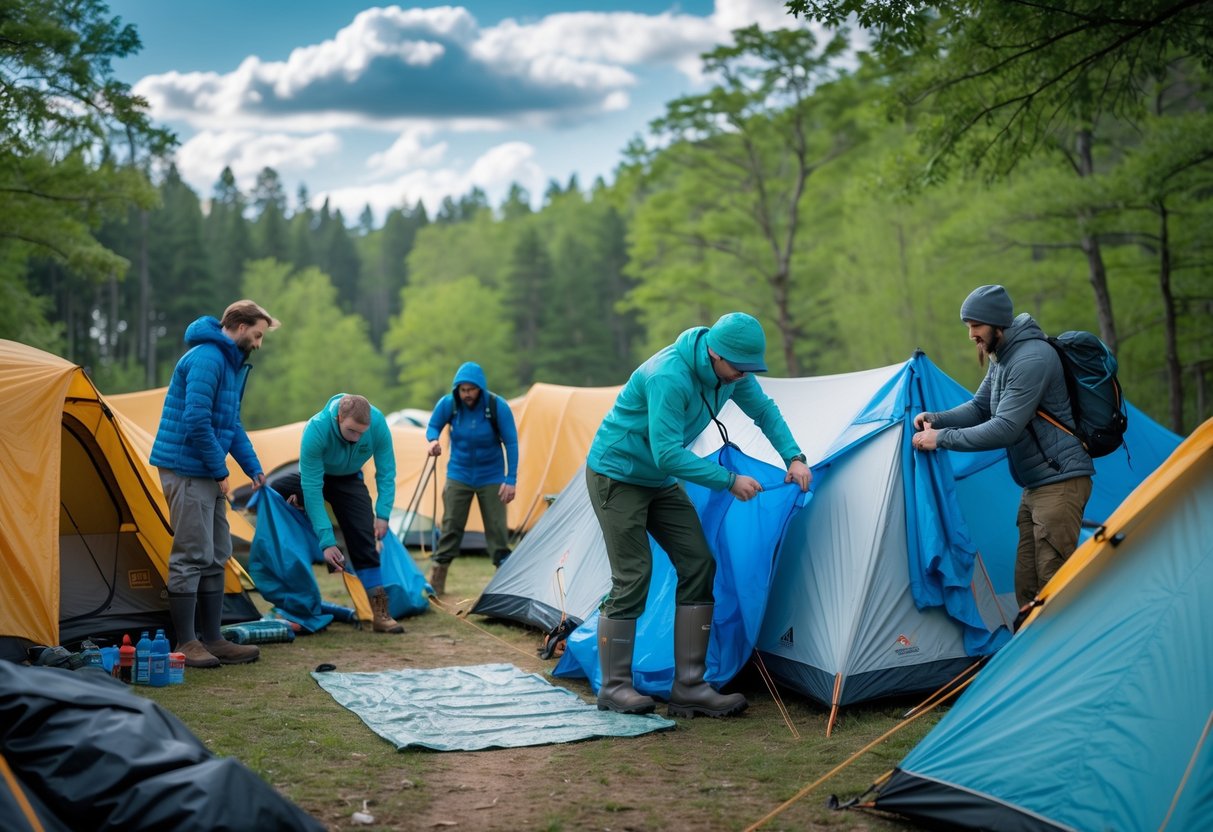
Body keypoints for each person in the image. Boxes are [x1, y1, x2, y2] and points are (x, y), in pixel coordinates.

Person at [587, 312, 811, 718]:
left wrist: (793, 456)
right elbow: (668, 452)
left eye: (749, 370)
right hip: (617, 475)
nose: (743, 377)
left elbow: (763, 410)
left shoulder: (731, 371)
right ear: (714, 354)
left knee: (698, 563)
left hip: (656, 479)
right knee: (634, 574)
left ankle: (689, 685)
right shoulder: (668, 376)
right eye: (738, 369)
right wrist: (728, 481)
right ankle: (614, 686)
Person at [911, 284, 1094, 609]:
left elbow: (1005, 429)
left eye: (975, 326)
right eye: (969, 327)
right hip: (1037, 485)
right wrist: (935, 419)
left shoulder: (1031, 359)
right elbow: (980, 408)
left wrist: (941, 439)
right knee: (1027, 587)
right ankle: (1034, 652)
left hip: (1060, 484)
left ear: (997, 324)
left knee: (1055, 586)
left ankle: (1066, 656)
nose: (971, 335)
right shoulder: (1003, 358)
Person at [150, 299, 278, 668]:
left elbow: (230, 424)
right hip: (186, 469)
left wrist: (252, 467)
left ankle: (214, 639)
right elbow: (196, 420)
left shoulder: (230, 364)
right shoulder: (207, 358)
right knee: (191, 554)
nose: (258, 343)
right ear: (238, 326)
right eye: (256, 335)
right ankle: (187, 642)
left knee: (217, 552)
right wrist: (221, 470)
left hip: (204, 469)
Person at [275, 394, 403, 634]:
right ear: (338, 418)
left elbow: (387, 472)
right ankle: (290, 603)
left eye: (361, 433)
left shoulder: (378, 424)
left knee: (365, 541)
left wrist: (383, 513)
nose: (357, 439)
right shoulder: (316, 429)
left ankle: (381, 612)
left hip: (350, 480)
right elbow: (312, 488)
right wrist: (326, 541)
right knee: (274, 492)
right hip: (315, 478)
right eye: (352, 431)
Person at [425, 362, 518, 596]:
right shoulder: (449, 404)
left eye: (471, 389)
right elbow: (433, 426)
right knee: (451, 526)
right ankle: (436, 580)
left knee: (497, 530)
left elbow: (512, 443)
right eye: (463, 389)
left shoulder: (497, 406)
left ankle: (504, 585)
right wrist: (433, 441)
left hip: (492, 475)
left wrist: (511, 479)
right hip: (459, 473)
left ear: (481, 388)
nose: (467, 394)